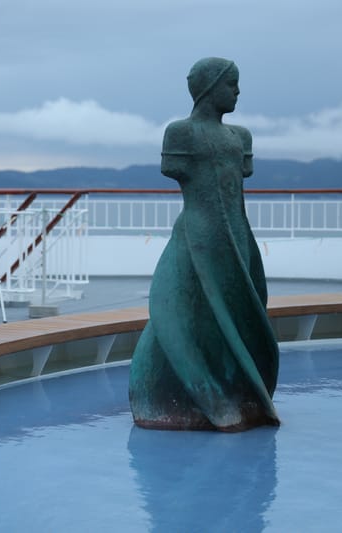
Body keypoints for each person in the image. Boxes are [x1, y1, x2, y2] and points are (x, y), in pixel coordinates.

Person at [128, 57, 280, 432]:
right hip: (196, 237)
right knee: (180, 312)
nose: (238, 92)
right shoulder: (180, 133)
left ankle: (242, 390)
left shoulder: (239, 137)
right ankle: (186, 397)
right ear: (210, 88)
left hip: (237, 236)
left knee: (243, 308)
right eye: (231, 85)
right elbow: (176, 171)